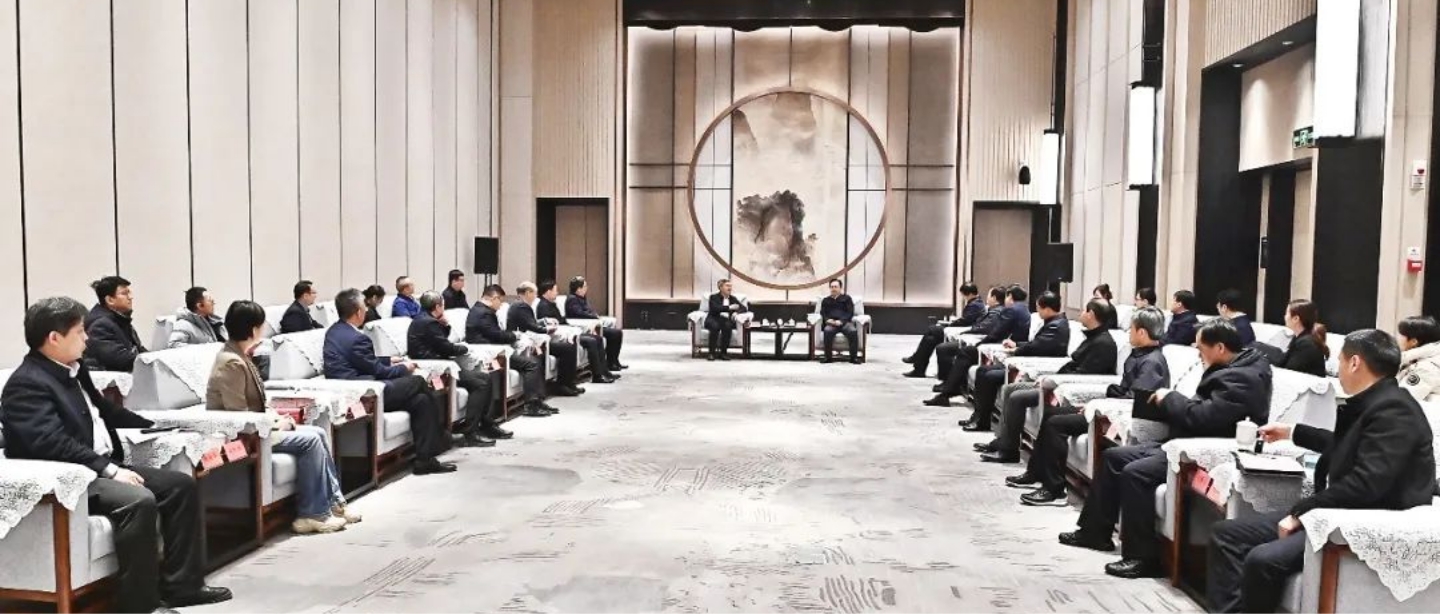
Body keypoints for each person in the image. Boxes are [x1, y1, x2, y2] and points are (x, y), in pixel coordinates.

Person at [1, 296, 231, 613]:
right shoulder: (26, 384)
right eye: (80, 332)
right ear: (54, 338)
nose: (87, 338)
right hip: (71, 478)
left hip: (99, 466)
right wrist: (109, 470)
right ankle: (140, 605)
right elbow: (49, 443)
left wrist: (153, 425)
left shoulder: (73, 369)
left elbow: (104, 410)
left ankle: (183, 586)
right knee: (138, 500)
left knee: (180, 485)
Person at [1208, 329, 1436, 613]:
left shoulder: (1395, 411)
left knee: (1262, 560)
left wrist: (1302, 511)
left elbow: (1365, 484)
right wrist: (1291, 432)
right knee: (1226, 534)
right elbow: (1347, 446)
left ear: (1354, 363)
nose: (1338, 369)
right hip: (1338, 510)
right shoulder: (1378, 401)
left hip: (1358, 519)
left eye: (1340, 361)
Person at [1061, 319, 1272, 580]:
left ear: (1219, 347)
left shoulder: (1243, 379)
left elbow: (1203, 417)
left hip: (1201, 450)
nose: (1197, 353)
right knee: (1114, 456)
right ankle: (1094, 533)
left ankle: (1142, 558)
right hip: (1184, 441)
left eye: (1200, 347)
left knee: (1136, 473)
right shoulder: (1233, 367)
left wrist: (1170, 398)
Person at [207, 300, 356, 534]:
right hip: (245, 435)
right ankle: (312, 514)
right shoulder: (231, 362)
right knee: (310, 440)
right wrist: (278, 424)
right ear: (253, 329)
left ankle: (334, 503)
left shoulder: (240, 355)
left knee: (318, 432)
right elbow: (240, 417)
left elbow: (258, 405)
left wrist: (277, 419)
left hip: (260, 427)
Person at [1015, 307, 1171, 506]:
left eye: (1131, 329)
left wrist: (1098, 406)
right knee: (1051, 414)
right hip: (1109, 408)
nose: (1128, 333)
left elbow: (1135, 399)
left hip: (1119, 417)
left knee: (1056, 424)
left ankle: (1055, 490)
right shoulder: (1140, 354)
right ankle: (1036, 472)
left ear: (1141, 332)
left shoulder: (1152, 362)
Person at [323, 288, 455, 475]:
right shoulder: (358, 338)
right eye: (364, 307)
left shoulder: (335, 331)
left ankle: (424, 460)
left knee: (422, 401)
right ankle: (441, 436)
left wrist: (388, 360)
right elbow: (378, 371)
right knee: (418, 381)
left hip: (356, 384)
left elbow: (361, 360)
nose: (367, 311)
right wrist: (404, 368)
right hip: (366, 391)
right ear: (358, 312)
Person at [979, 299, 1116, 463]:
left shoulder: (1103, 343)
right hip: (1059, 381)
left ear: (1091, 314)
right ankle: (1003, 442)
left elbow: (1084, 374)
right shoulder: (1092, 337)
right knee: (1010, 389)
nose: (1081, 313)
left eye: (1084, 311)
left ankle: (1009, 451)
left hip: (1066, 388)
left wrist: (1052, 381)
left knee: (1017, 397)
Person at [944, 291, 1067, 432]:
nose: (1037, 311)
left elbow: (1038, 347)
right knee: (982, 371)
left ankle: (982, 420)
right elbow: (1038, 344)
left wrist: (1016, 349)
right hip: (1029, 359)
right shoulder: (1053, 322)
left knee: (989, 376)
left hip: (1034, 365)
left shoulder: (1056, 325)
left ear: (1047, 308)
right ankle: (979, 417)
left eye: (1039, 308)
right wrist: (1017, 345)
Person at [409, 291, 510, 447]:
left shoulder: (425, 319)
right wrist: (465, 348)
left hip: (441, 363)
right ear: (438, 306)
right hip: (436, 367)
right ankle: (471, 432)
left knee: (484, 377)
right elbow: (446, 347)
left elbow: (439, 340)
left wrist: (445, 325)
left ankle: (486, 424)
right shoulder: (428, 322)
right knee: (481, 383)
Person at [466, 284, 557, 417]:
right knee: (531, 364)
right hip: (492, 352)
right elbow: (496, 335)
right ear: (494, 298)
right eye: (500, 301)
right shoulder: (483, 313)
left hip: (495, 349)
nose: (501, 306)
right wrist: (514, 336)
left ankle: (537, 400)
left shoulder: (480, 310)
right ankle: (531, 405)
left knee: (534, 361)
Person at [930, 285, 1031, 403]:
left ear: (1010, 296)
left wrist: (980, 344)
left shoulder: (1011, 309)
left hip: (1005, 346)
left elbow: (997, 333)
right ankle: (951, 389)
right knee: (966, 352)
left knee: (966, 352)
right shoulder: (1024, 309)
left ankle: (949, 391)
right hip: (1011, 344)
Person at [509, 281, 585, 396]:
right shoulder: (521, 306)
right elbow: (531, 326)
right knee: (567, 349)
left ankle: (568, 383)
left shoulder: (521, 305)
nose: (536, 296)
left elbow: (530, 322)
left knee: (568, 347)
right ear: (528, 293)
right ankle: (563, 385)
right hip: (526, 343)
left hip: (533, 339)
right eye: (535, 293)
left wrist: (544, 321)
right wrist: (548, 329)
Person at [537, 280, 617, 384]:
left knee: (598, 338)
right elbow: (552, 325)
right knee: (591, 341)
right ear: (548, 292)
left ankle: (604, 372)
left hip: (568, 330)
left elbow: (562, 320)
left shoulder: (551, 304)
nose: (557, 293)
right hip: (562, 335)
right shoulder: (543, 306)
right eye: (555, 290)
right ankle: (597, 375)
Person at [903, 282, 982, 377]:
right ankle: (918, 367)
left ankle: (917, 361)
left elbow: (965, 321)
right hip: (960, 329)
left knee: (932, 329)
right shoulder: (975, 303)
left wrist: (950, 324)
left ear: (970, 294)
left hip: (961, 331)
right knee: (930, 339)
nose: (963, 297)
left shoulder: (975, 304)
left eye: (964, 295)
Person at [928, 286, 1005, 381]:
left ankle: (948, 381)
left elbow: (983, 327)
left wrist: (965, 331)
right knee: (933, 337)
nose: (987, 298)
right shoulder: (992, 309)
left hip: (980, 341)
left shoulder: (995, 311)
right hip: (976, 338)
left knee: (943, 347)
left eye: (989, 295)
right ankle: (947, 381)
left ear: (994, 298)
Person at [83, 275, 147, 372]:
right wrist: (148, 360)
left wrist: (154, 357)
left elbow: (138, 349)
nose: (130, 297)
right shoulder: (100, 325)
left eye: (129, 292)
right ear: (110, 300)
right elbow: (120, 360)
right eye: (124, 293)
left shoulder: (120, 319)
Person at [566, 276, 626, 371]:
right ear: (578, 289)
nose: (586, 288)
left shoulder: (582, 298)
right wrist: (593, 317)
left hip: (594, 324)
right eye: (584, 286)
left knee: (617, 333)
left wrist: (595, 316)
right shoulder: (572, 299)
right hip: (585, 327)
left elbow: (589, 311)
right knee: (615, 334)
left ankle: (614, 361)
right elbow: (579, 313)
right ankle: (610, 363)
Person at [1273, 299, 1328, 377]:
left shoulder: (1307, 344)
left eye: (1286, 313)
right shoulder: (1300, 337)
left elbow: (1290, 371)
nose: (1285, 316)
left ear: (1296, 319)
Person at [1396, 315, 1440, 402]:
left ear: (1413, 342)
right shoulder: (1415, 359)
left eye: (1401, 335)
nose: (1397, 338)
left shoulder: (1426, 368)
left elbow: (1402, 400)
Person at [704, 278, 748, 361]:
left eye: (730, 286)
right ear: (720, 287)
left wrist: (737, 312)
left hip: (726, 320)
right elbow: (715, 308)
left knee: (728, 327)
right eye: (727, 286)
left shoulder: (732, 298)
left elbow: (744, 308)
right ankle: (711, 353)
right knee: (715, 327)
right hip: (714, 318)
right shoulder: (713, 297)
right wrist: (729, 308)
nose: (730, 288)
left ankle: (723, 353)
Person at [819, 279, 859, 364]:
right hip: (832, 323)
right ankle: (828, 357)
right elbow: (823, 313)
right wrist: (828, 320)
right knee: (827, 331)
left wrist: (841, 321)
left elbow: (850, 312)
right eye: (832, 287)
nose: (833, 289)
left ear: (840, 288)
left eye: (836, 287)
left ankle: (854, 358)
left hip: (844, 323)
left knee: (853, 331)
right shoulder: (825, 300)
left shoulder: (847, 298)